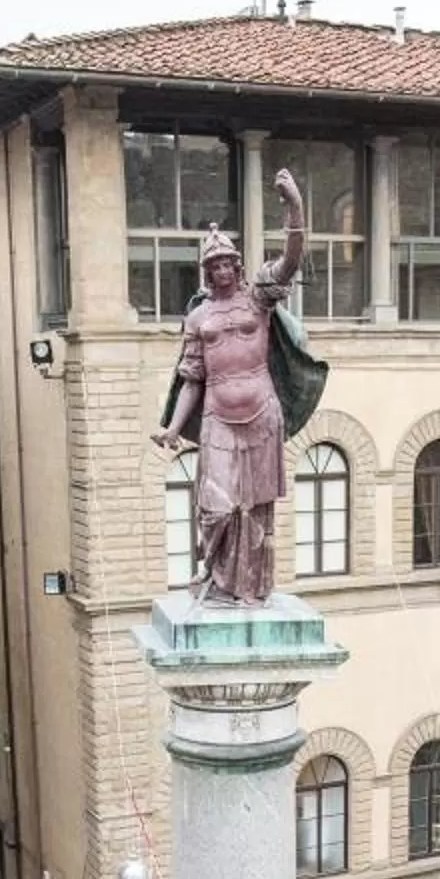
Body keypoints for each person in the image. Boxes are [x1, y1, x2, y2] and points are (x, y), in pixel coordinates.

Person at [153, 167, 326, 604]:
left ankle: (250, 584)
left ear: (238, 264)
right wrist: (173, 429)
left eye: (228, 261)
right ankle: (213, 573)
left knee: (256, 508)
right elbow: (191, 378)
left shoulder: (259, 296)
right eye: (214, 264)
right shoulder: (197, 318)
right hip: (218, 417)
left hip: (262, 413)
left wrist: (294, 205)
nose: (223, 269)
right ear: (206, 272)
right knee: (216, 507)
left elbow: (291, 258)